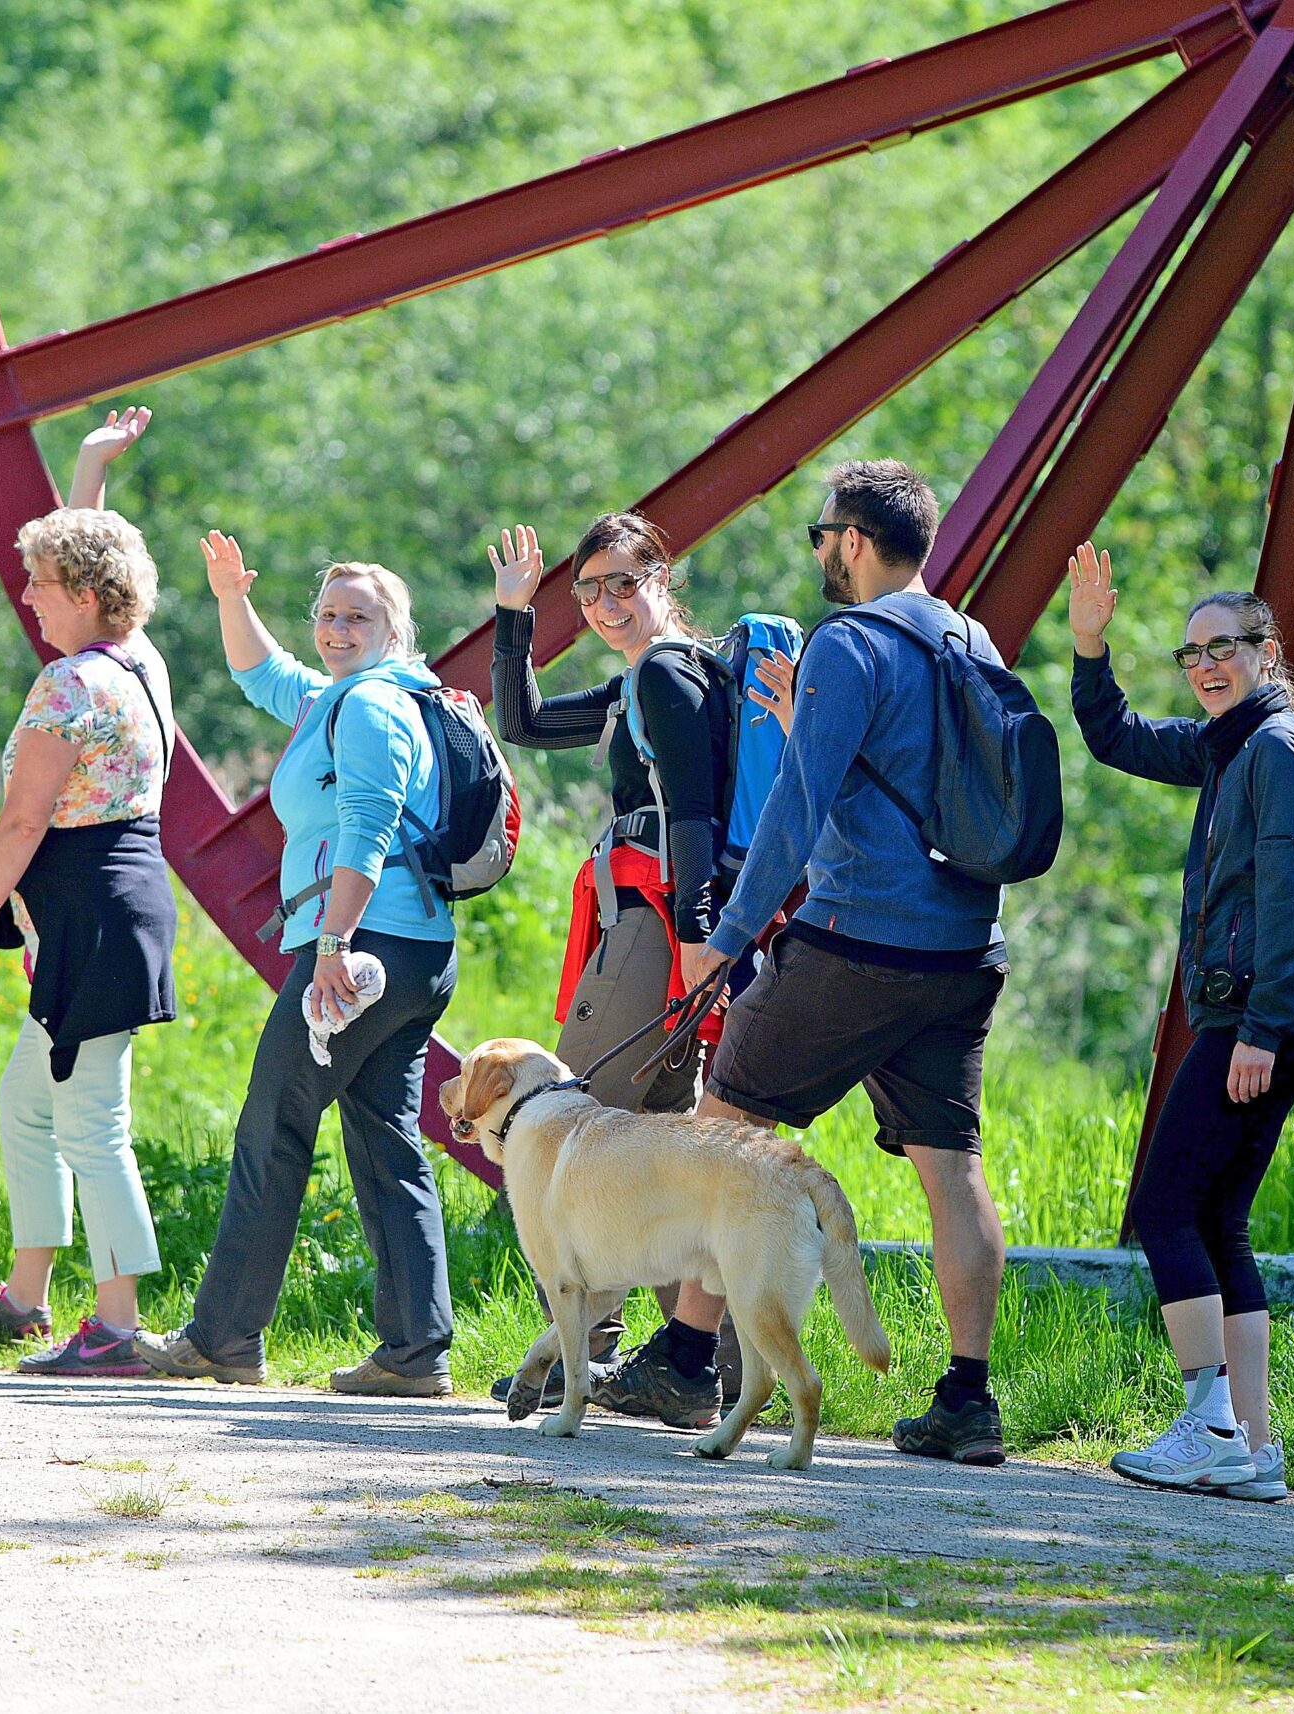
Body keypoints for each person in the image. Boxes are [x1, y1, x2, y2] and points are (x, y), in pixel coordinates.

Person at [675, 458, 1014, 1467]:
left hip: (859, 937)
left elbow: (796, 806)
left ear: (855, 540)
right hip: (965, 943)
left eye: (822, 533)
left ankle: (684, 1356)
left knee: (725, 1123)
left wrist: (729, 935)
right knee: (950, 1166)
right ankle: (966, 1398)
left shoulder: (850, 640)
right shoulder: (971, 637)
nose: (820, 550)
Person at [136, 535, 459, 1396]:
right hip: (416, 949)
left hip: (366, 948)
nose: (337, 629)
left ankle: (224, 1337)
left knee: (273, 1124)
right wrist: (229, 596)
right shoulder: (352, 700)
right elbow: (264, 676)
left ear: (397, 630)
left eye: (358, 616)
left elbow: (368, 826)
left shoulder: (372, 709)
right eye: (327, 615)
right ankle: (414, 1353)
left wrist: (332, 945)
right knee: (387, 1135)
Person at [481, 513, 775, 1418]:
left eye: (623, 580)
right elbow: (524, 722)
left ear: (661, 572)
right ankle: (699, 1373)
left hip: (657, 929)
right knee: (666, 1163)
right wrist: (513, 613)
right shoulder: (645, 683)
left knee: (567, 1134)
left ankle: (581, 1360)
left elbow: (689, 813)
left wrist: (693, 938)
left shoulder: (667, 671)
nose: (607, 602)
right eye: (590, 589)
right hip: (680, 931)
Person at [1063, 545, 1294, 1503]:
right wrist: (1090, 647)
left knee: (1164, 1209)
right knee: (1218, 1219)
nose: (1207, 664)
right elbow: (1121, 740)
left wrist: (1258, 1029)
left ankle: (1208, 1421)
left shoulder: (1275, 751)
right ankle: (1254, 1449)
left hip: (1259, 1017)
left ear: (1269, 652)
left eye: (1225, 646)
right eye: (1192, 653)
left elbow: (1290, 899)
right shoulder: (1230, 744)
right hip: (1266, 1013)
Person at [0, 408, 180, 1378]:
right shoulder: (134, 664)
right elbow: (95, 554)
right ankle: (28, 1298)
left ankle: (116, 1327)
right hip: (117, 907)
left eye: (41, 582)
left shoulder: (64, 689)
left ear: (82, 592)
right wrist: (88, 469)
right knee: (28, 1103)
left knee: (90, 1121)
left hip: (86, 916)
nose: (28, 595)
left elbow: (21, 823)